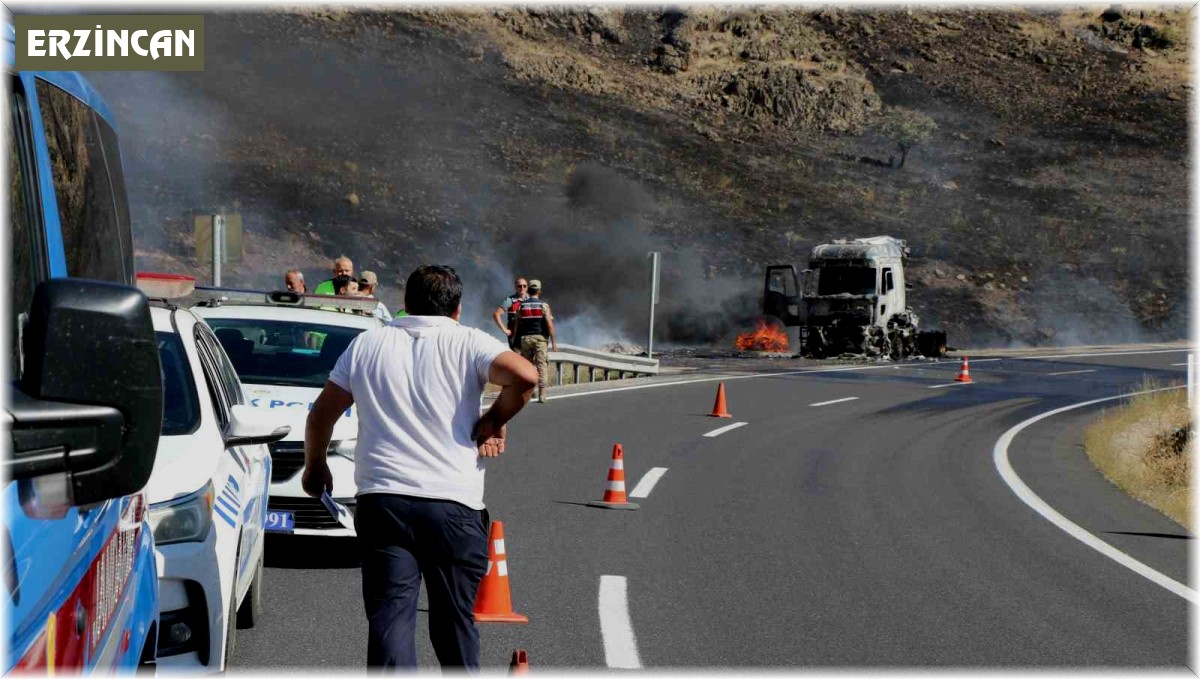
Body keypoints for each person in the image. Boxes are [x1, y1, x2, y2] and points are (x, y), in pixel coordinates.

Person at [301, 264, 537, 670]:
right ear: (458, 309)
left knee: (390, 619)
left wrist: (315, 466)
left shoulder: (367, 344)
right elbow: (525, 375)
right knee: (453, 623)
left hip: (383, 501)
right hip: (452, 505)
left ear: (405, 303)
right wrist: (495, 419)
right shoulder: (469, 342)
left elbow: (321, 414)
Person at [513, 279, 557, 403]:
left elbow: (516, 323)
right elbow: (549, 323)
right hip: (540, 340)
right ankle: (542, 394)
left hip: (525, 339)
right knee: (541, 366)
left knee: (527, 367)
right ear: (539, 291)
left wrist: (515, 338)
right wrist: (553, 342)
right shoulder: (543, 305)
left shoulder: (522, 305)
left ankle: (529, 392)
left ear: (529, 290)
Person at [492, 277, 528, 349]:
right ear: (515, 287)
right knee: (517, 358)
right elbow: (496, 314)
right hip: (515, 337)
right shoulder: (510, 300)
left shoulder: (531, 300)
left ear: (527, 287)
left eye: (524, 286)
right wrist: (505, 330)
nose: (522, 288)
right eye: (519, 286)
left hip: (528, 336)